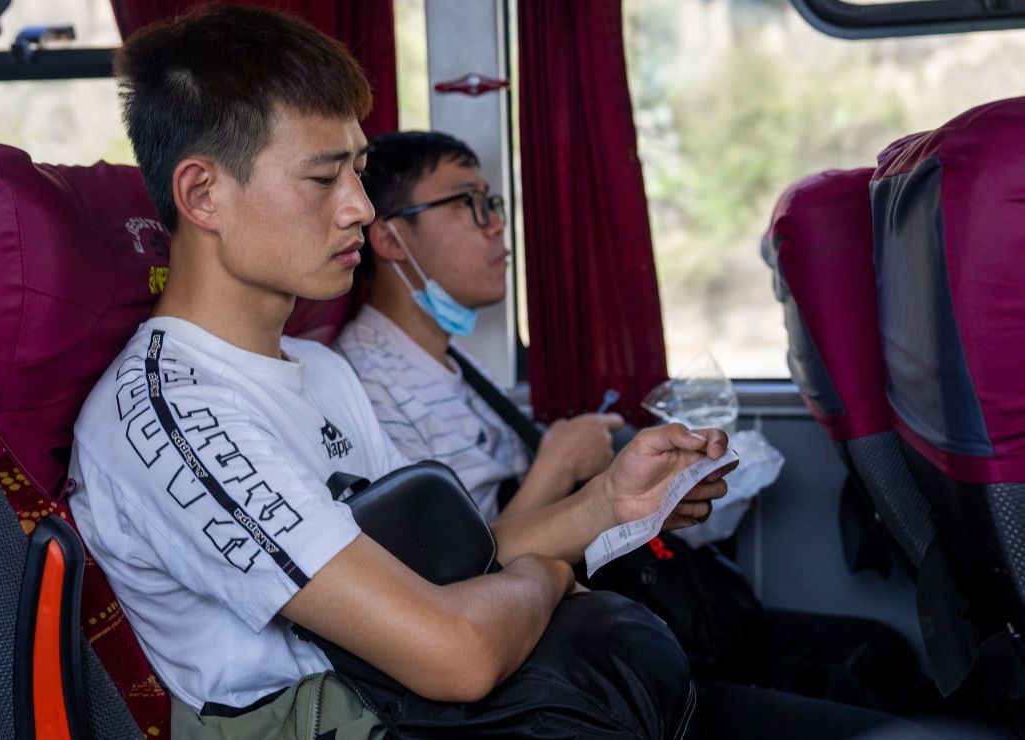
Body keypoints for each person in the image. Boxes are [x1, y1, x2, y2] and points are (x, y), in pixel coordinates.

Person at [66, 6, 737, 739]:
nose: (358, 208)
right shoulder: (173, 416)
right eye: (324, 179)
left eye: (358, 170)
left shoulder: (317, 369)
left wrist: (611, 503)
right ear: (203, 196)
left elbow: (445, 569)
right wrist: (547, 578)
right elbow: (457, 654)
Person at [335, 130, 928, 717]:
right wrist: (559, 466)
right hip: (541, 641)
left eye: (494, 203)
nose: (496, 224)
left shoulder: (448, 365)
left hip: (584, 610)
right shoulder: (366, 384)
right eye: (469, 203)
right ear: (389, 236)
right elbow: (456, 577)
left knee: (879, 653)